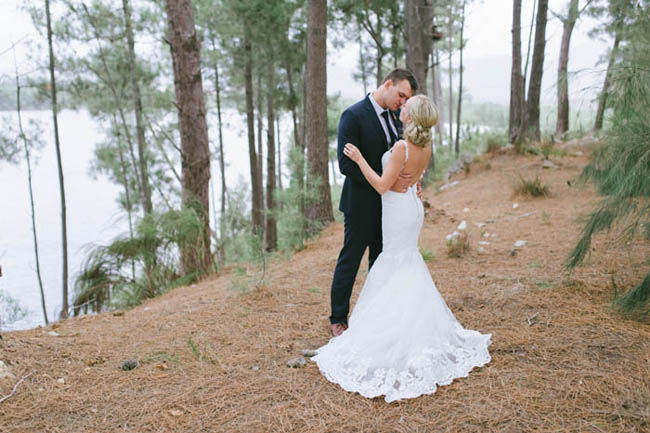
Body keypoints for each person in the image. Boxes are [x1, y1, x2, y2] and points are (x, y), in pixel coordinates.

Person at [313, 95, 492, 403]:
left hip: (398, 210)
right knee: (406, 264)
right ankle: (411, 325)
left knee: (394, 263)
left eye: (408, 106)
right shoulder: (425, 145)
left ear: (411, 117)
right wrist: (415, 183)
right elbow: (414, 175)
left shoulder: (401, 147)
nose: (403, 107)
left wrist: (358, 160)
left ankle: (396, 332)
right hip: (411, 206)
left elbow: (382, 185)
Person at [329, 68, 419, 338]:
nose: (402, 102)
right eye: (401, 95)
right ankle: (338, 318)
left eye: (406, 99)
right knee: (351, 260)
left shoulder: (395, 117)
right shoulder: (353, 115)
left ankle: (375, 316)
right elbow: (345, 165)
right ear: (388, 84)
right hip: (359, 204)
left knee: (380, 263)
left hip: (388, 208)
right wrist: (383, 181)